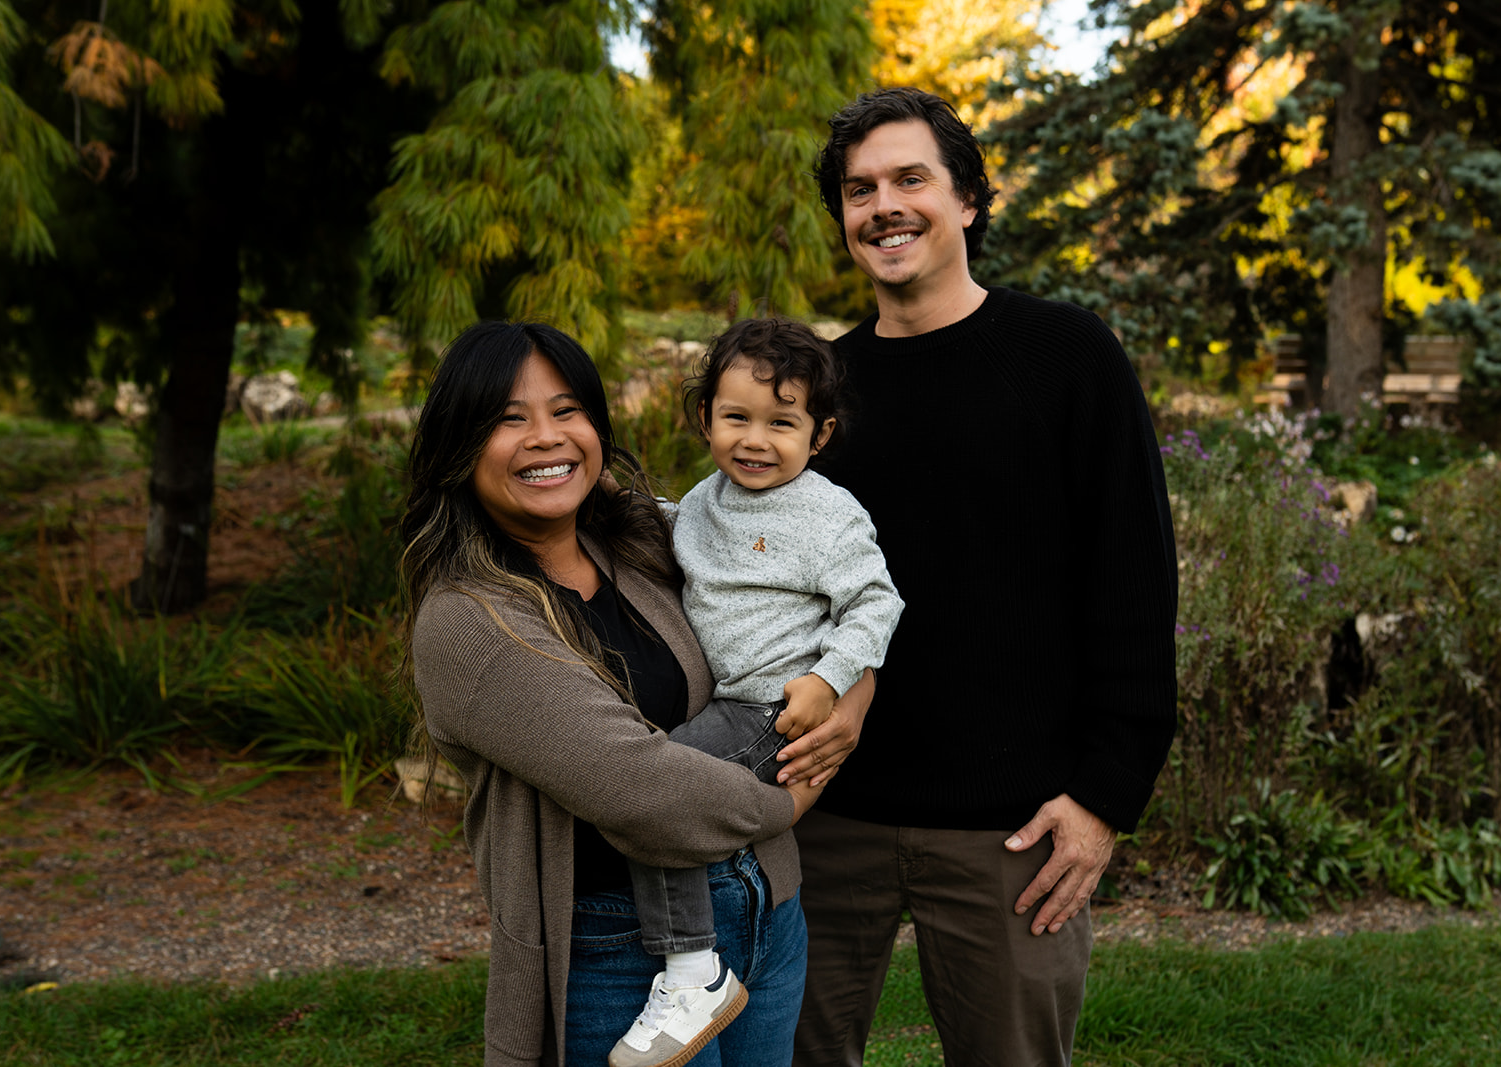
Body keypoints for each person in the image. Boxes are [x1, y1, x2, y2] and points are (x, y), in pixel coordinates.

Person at [791, 87, 1180, 1066]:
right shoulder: (816, 389)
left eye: (909, 179)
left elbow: (1134, 581)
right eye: (859, 190)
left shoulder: (1066, 356)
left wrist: (1104, 795)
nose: (884, 206)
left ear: (966, 199)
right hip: (823, 814)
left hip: (1012, 828)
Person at [401, 320, 871, 1067]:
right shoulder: (469, 622)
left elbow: (809, 605)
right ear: (460, 444)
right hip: (622, 952)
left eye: (566, 410)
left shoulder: (637, 543)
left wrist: (851, 690)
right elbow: (643, 791)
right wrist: (797, 794)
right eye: (508, 418)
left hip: (765, 911)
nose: (546, 437)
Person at [612, 318, 905, 1066]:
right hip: (726, 706)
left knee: (654, 790)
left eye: (782, 423)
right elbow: (676, 531)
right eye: (736, 417)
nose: (755, 440)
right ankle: (695, 960)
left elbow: (876, 604)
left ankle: (692, 970)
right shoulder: (705, 501)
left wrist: (828, 679)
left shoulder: (826, 514)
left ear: (819, 433)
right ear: (705, 416)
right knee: (658, 790)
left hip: (774, 709)